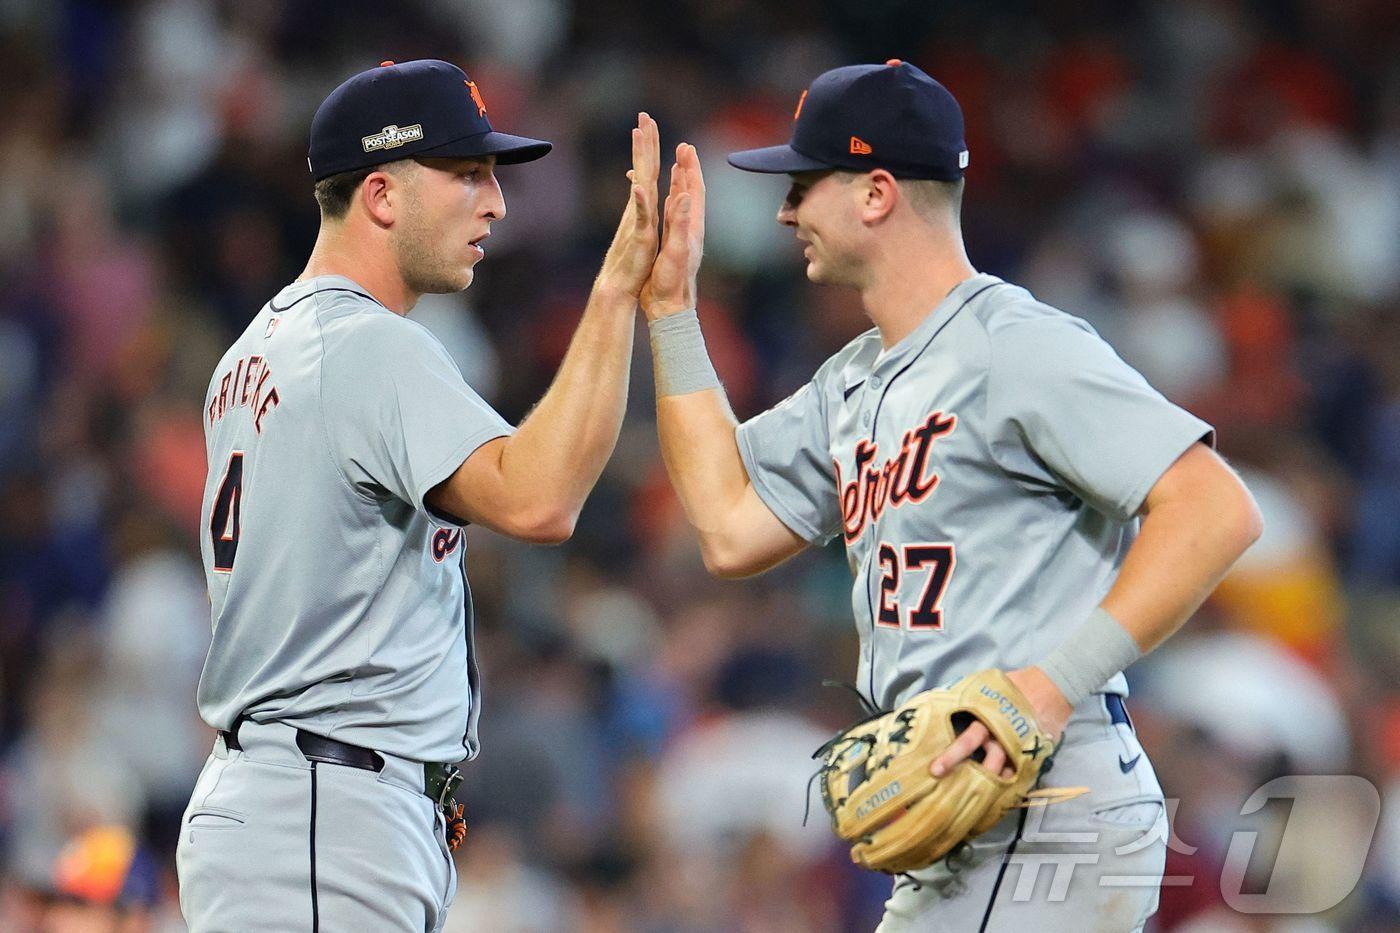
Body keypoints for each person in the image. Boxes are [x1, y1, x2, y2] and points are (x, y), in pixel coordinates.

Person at [640, 61, 1262, 931]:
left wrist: (1048, 688)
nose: (786, 211)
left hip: (1046, 790)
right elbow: (728, 528)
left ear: (876, 193)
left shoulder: (1015, 344)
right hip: (973, 806)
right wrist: (671, 311)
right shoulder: (850, 381)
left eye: (805, 184)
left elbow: (1216, 507)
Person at [176, 59, 686, 932]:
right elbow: (540, 500)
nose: (497, 203)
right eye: (467, 174)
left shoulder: (254, 351)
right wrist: (614, 294)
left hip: (298, 805)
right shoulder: (369, 346)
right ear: (381, 194)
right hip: (324, 811)